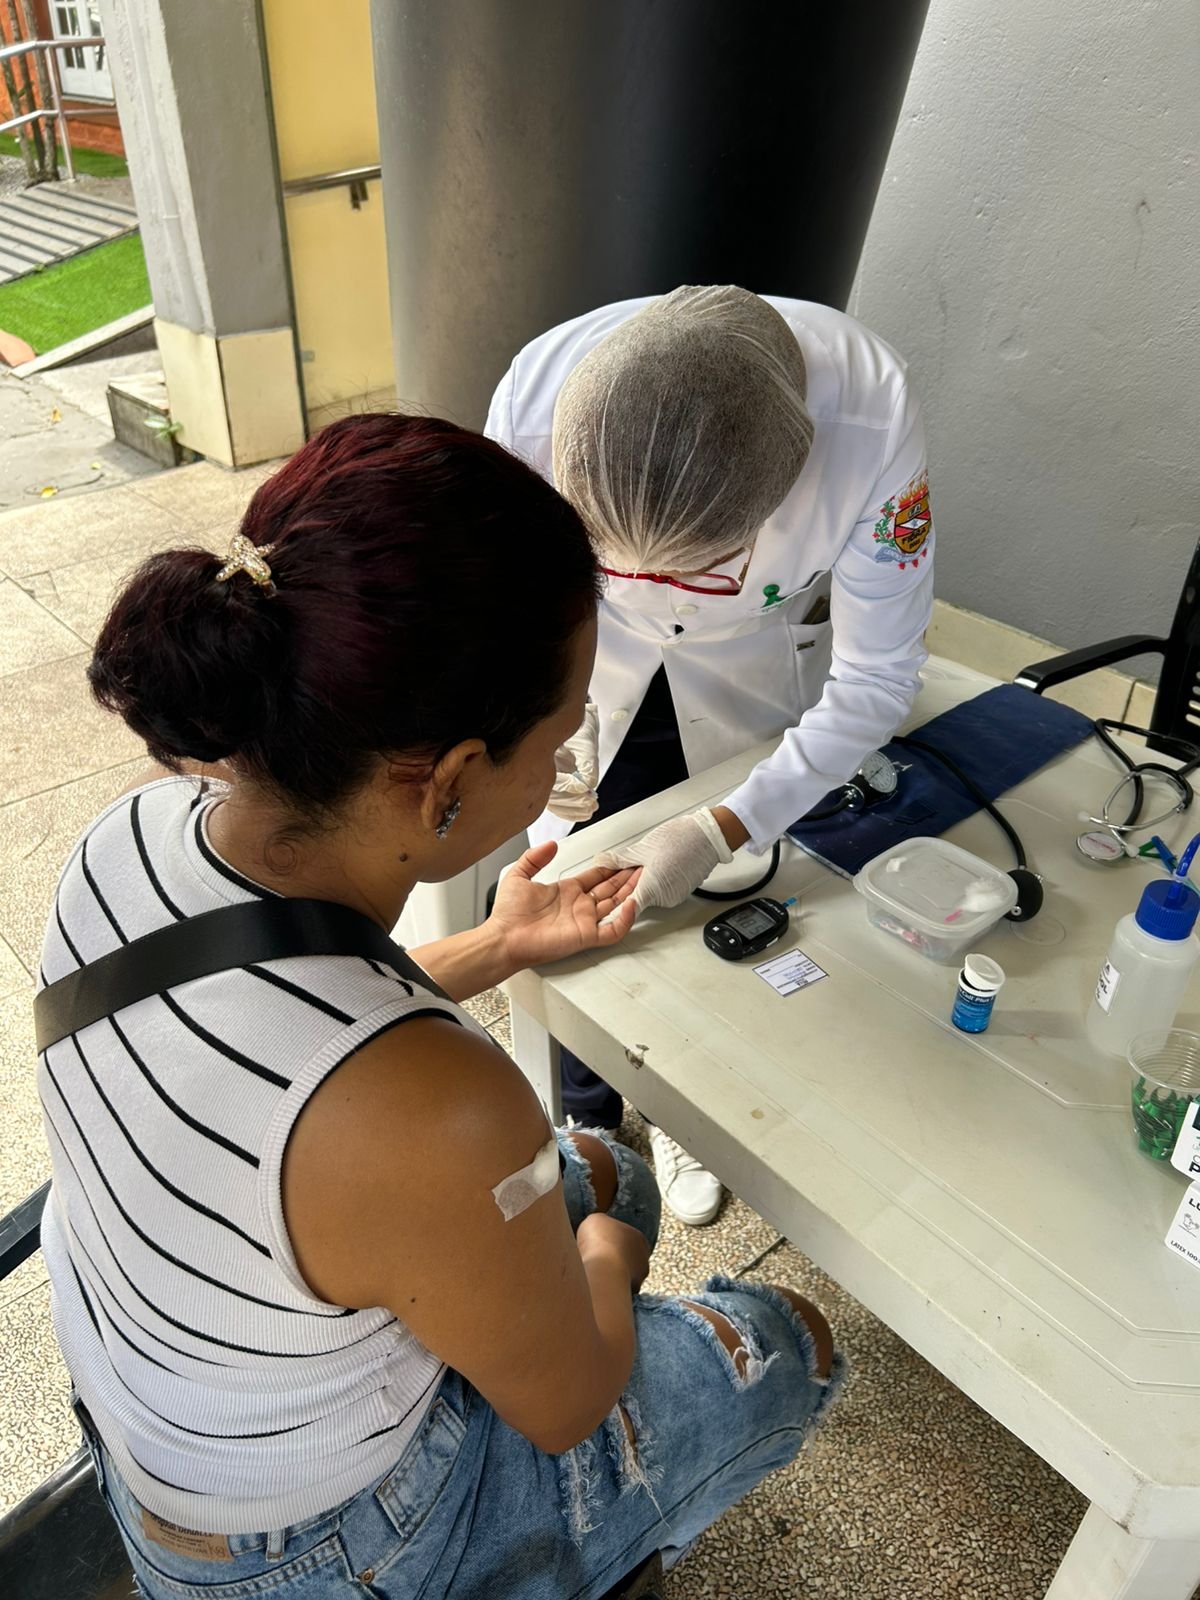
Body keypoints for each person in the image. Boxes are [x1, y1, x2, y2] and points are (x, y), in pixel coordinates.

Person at [37, 414, 841, 1600]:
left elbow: (284, 1019)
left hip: (165, 1426)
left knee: (602, 1169)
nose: (567, 760)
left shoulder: (131, 841)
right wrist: (601, 1259)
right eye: (562, 735)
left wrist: (502, 943)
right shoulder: (444, 1111)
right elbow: (568, 1406)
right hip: (318, 1553)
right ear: (454, 777)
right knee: (771, 1327)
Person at [487, 285, 935, 1226]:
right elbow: (496, 597)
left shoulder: (868, 415)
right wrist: (530, 717)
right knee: (569, 904)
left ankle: (677, 1103)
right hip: (587, 669)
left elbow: (879, 676)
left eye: (701, 566)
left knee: (705, 907)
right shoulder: (533, 396)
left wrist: (727, 822)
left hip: (743, 682)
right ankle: (587, 1112)